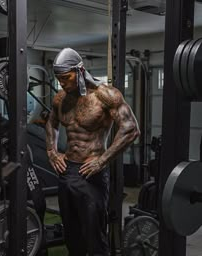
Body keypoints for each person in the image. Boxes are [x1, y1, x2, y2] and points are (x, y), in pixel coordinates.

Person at [45, 48, 140, 256]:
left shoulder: (106, 95)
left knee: (95, 236)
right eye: (59, 79)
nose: (62, 83)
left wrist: (102, 161)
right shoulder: (61, 98)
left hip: (91, 173)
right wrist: (52, 151)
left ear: (79, 71)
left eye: (66, 78)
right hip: (67, 171)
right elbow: (51, 123)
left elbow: (131, 129)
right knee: (72, 235)